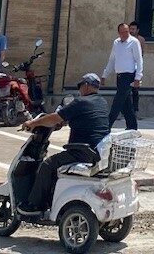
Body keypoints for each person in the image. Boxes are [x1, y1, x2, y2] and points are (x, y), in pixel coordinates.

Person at [18, 73, 110, 217]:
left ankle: (34, 205)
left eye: (80, 86)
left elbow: (55, 118)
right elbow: (84, 118)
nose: (79, 90)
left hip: (81, 151)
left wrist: (32, 123)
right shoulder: (102, 102)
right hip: (97, 151)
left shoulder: (80, 102)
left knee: (48, 164)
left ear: (86, 86)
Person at [102, 22, 144, 131]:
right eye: (123, 32)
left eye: (127, 31)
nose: (125, 34)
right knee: (126, 104)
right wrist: (105, 74)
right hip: (120, 76)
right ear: (119, 33)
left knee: (118, 101)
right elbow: (112, 59)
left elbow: (139, 60)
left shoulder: (134, 42)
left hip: (129, 76)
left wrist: (138, 78)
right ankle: (132, 127)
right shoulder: (116, 42)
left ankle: (107, 126)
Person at [126, 21, 145, 117]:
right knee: (124, 91)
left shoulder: (140, 40)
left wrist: (139, 71)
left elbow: (141, 56)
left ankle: (135, 110)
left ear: (137, 30)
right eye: (130, 29)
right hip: (126, 68)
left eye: (133, 29)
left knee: (135, 90)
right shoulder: (125, 40)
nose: (131, 31)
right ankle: (124, 111)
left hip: (136, 68)